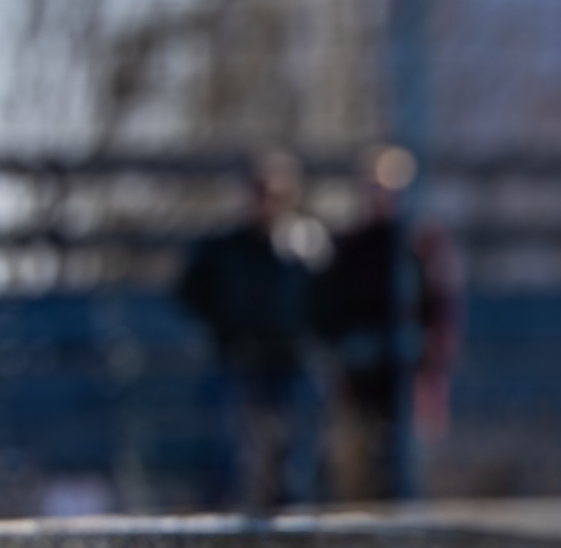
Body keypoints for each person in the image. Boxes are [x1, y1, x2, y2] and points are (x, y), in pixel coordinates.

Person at [176, 152, 326, 514]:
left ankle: (293, 529)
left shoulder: (307, 245)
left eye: (274, 191)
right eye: (258, 191)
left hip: (292, 363)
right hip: (237, 361)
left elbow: (329, 299)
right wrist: (226, 331)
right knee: (224, 457)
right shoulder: (223, 248)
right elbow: (188, 292)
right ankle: (221, 529)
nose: (265, 201)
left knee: (294, 464)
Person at [313, 145, 455, 503]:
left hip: (407, 377)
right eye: (374, 187)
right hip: (359, 377)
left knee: (404, 470)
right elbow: (330, 309)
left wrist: (429, 358)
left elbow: (442, 311)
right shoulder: (350, 247)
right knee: (355, 465)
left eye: (391, 188)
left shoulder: (423, 246)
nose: (382, 196)